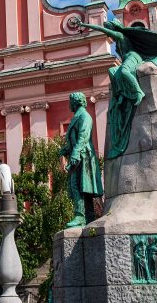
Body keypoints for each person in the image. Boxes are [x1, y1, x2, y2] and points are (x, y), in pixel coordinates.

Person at [76, 19, 157, 159]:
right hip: (126, 59)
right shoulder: (118, 40)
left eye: (110, 28)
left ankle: (138, 91)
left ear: (115, 27)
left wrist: (84, 25)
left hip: (133, 57)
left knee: (124, 72)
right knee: (112, 71)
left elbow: (103, 31)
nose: (109, 33)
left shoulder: (121, 36)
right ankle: (119, 94)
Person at [59, 92, 104, 227]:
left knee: (77, 186)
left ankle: (80, 216)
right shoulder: (78, 116)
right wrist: (66, 150)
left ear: (75, 102)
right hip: (80, 154)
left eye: (70, 102)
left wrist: (74, 153)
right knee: (83, 187)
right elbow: (74, 140)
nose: (69, 105)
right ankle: (88, 218)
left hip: (83, 156)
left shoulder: (84, 116)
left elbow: (83, 137)